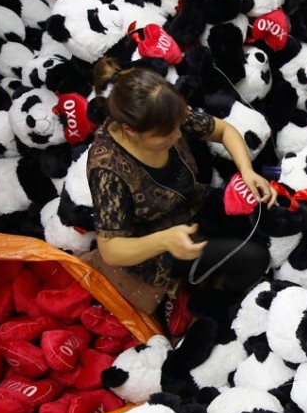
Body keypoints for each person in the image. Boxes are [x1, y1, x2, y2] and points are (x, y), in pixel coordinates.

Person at [86, 58, 276, 325]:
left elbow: (223, 131)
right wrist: (165, 240)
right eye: (165, 135)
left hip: (194, 205)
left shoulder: (167, 114)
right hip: (159, 245)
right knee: (255, 259)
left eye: (178, 127)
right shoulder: (107, 168)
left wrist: (247, 170)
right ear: (130, 130)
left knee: (265, 218)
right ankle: (209, 301)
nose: (177, 135)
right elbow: (111, 250)